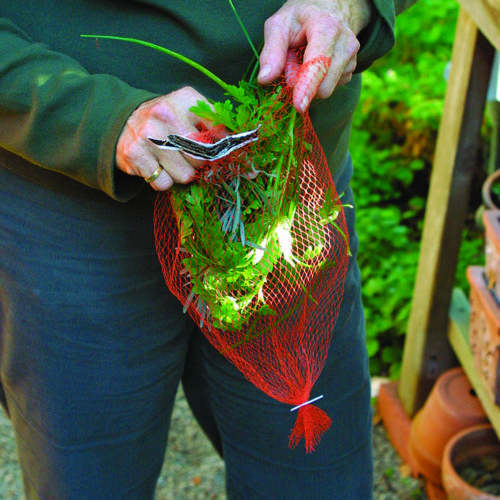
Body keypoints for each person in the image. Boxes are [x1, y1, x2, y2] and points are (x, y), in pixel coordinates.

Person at [0, 1, 416, 498]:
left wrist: (350, 7)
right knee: (89, 479)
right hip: (70, 217)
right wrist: (95, 118)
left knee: (315, 477)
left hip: (287, 194)